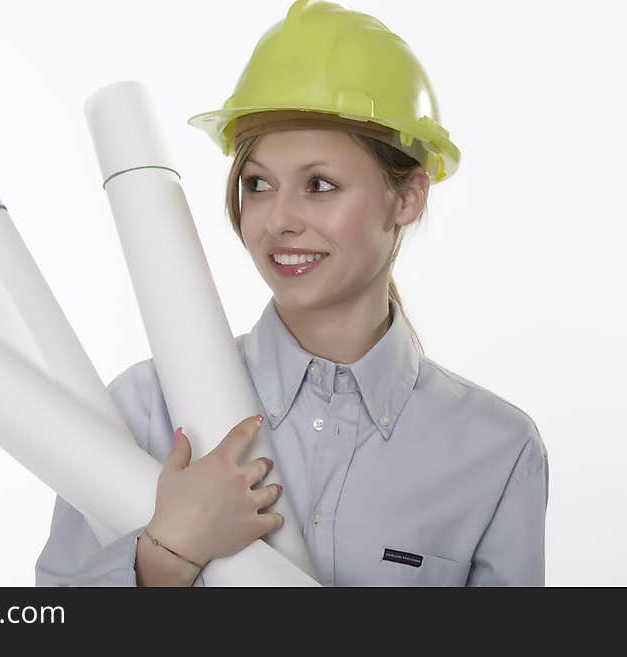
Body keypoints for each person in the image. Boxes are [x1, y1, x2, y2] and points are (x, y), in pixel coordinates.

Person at [36, 0, 549, 587]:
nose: (277, 219)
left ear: (407, 197)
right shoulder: (147, 410)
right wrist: (163, 556)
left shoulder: (496, 452)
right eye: (258, 184)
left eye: (319, 185)